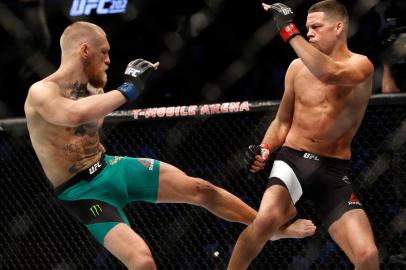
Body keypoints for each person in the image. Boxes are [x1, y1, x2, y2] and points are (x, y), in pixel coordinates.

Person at [23, 21, 316, 270]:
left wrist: (115, 85)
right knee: (141, 262)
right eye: (104, 53)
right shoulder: (41, 91)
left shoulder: (94, 88)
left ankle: (272, 231)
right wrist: (129, 88)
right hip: (82, 193)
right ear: (84, 50)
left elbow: (91, 118)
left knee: (202, 189)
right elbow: (72, 115)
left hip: (109, 167)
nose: (109, 59)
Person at [227, 1, 379, 270]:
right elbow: (283, 120)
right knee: (264, 221)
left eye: (316, 27)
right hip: (293, 160)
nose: (309, 33)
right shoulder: (296, 68)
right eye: (306, 27)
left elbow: (330, 73)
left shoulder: (360, 65)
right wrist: (264, 148)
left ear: (339, 27)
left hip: (333, 170)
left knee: (366, 255)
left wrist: (288, 30)